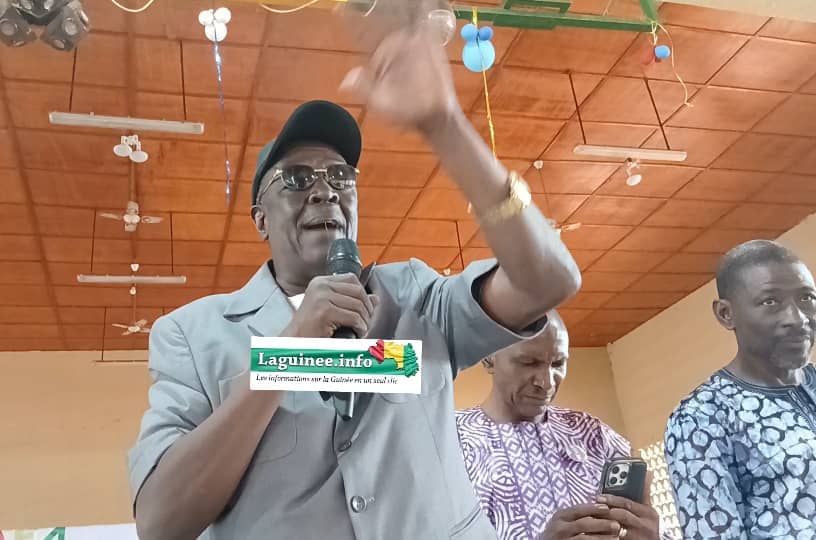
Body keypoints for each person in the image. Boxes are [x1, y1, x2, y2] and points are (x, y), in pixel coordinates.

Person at [127, 26, 581, 540]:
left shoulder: (414, 297)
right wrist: (290, 352)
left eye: (341, 177)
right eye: (296, 179)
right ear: (260, 219)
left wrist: (445, 125)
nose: (325, 190)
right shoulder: (192, 334)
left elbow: (547, 282)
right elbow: (161, 522)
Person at [456, 311, 662, 540]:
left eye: (558, 363)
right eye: (528, 362)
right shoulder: (449, 440)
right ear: (488, 357)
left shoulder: (592, 433)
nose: (546, 382)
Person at [664, 239, 816, 538]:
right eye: (770, 302)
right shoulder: (701, 417)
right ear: (726, 314)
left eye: (806, 298)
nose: (797, 318)